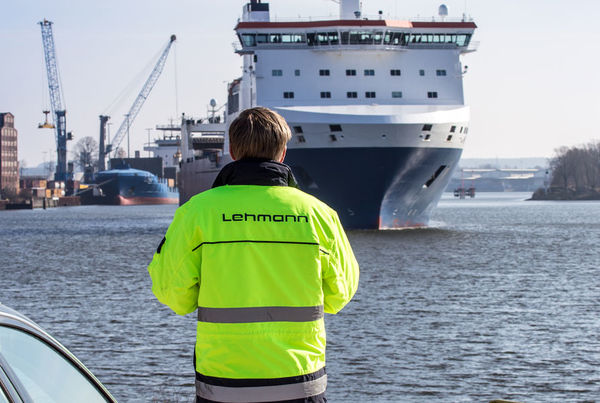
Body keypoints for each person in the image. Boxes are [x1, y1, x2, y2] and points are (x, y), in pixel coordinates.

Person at [148, 107, 359, 403]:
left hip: (223, 385)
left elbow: (173, 294)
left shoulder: (197, 212)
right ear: (283, 152)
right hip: (300, 383)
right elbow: (341, 294)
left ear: (232, 151)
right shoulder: (318, 215)